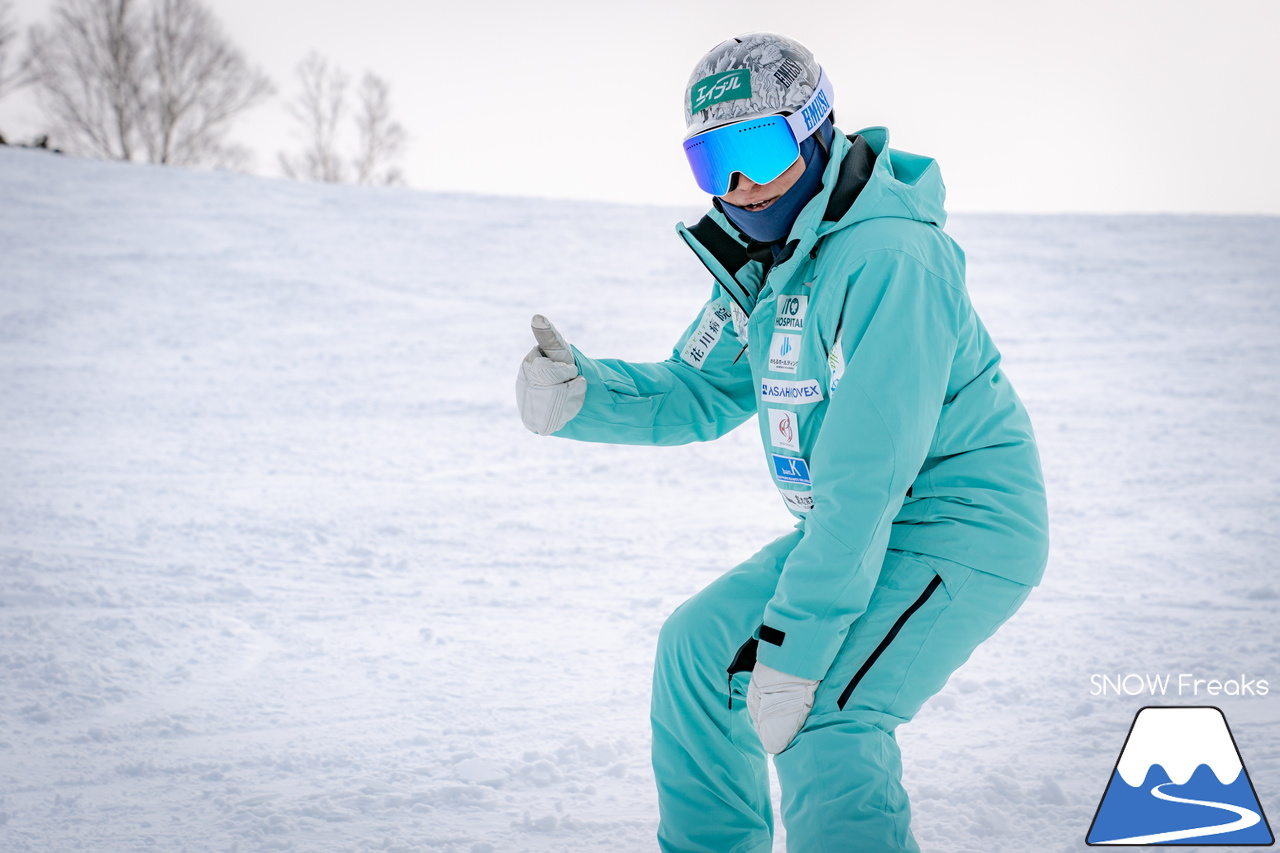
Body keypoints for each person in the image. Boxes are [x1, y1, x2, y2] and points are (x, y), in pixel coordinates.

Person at [514, 32, 1049, 853]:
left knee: (826, 708)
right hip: (859, 528)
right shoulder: (772, 264)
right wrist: (585, 395)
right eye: (711, 163)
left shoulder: (893, 258)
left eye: (758, 151)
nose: (737, 186)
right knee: (697, 653)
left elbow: (866, 482)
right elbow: (699, 387)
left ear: (815, 132)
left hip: (960, 530)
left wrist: (796, 652)